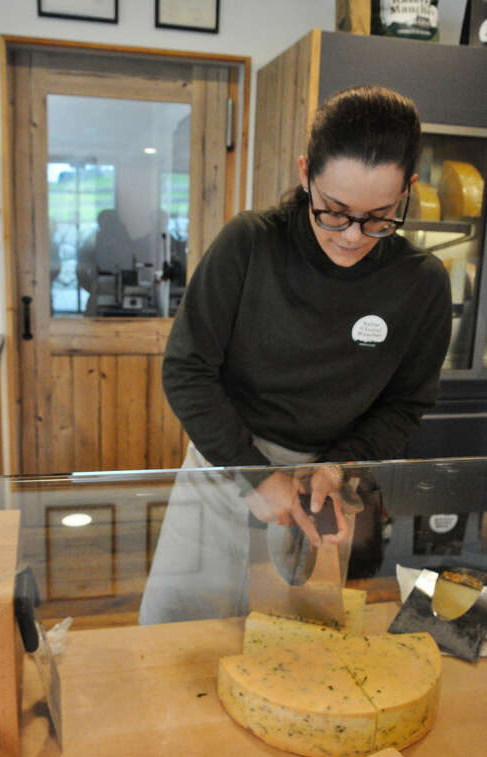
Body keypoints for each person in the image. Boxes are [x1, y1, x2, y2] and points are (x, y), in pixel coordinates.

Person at [139, 84, 452, 625]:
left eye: (380, 217)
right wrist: (258, 476)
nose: (354, 236)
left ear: (408, 190)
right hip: (224, 464)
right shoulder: (249, 245)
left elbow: (404, 405)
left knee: (304, 658)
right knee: (178, 644)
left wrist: (338, 466)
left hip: (326, 488)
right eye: (334, 211)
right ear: (306, 173)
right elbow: (186, 371)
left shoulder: (420, 284)